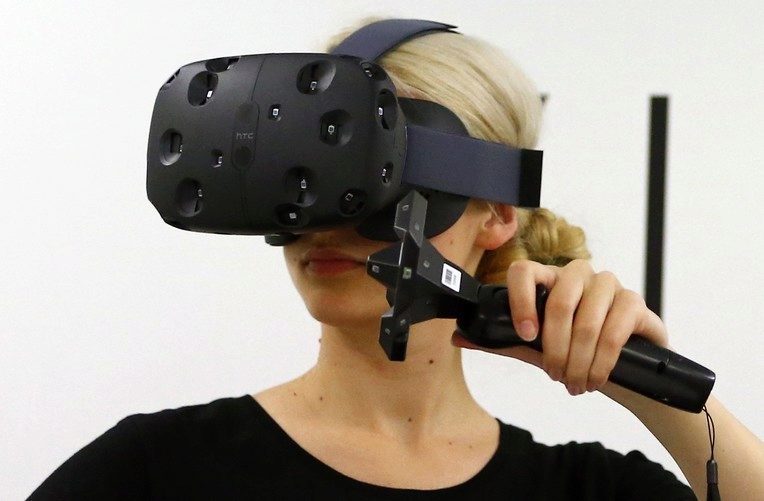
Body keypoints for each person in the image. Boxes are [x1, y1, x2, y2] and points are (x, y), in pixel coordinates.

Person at [28, 16, 763, 500]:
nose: (329, 223)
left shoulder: (583, 490)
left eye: (377, 183)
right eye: (305, 177)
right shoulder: (158, 472)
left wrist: (647, 386)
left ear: (496, 210)